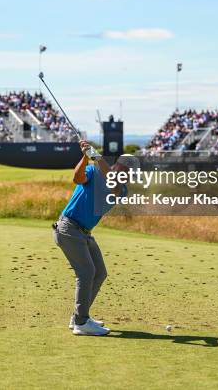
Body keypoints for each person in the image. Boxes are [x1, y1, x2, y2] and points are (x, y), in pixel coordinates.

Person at [52, 140, 140, 336]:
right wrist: (85, 157)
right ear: (116, 165)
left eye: (129, 172)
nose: (125, 173)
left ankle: (78, 315)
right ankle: (81, 322)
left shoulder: (122, 190)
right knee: (86, 272)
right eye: (123, 168)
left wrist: (97, 157)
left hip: (84, 233)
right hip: (68, 227)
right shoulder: (94, 171)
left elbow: (114, 185)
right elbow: (77, 178)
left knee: (99, 272)